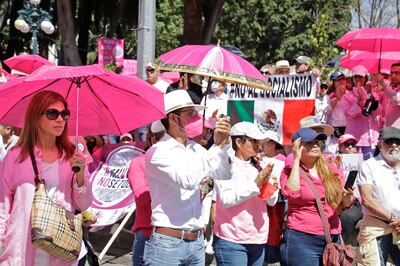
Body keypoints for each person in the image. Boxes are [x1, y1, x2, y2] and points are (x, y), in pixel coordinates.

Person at [0, 90, 92, 266]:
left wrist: (80, 175)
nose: (60, 119)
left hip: (61, 249)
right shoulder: (15, 157)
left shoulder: (72, 157)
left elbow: (83, 204)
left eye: (64, 114)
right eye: (52, 113)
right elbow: (2, 208)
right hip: (21, 251)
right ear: (35, 117)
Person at [144, 89, 231, 266]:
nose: (196, 118)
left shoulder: (195, 148)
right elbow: (188, 180)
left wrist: (224, 145)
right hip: (167, 244)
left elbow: (223, 173)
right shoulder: (157, 152)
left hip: (196, 242)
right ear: (174, 119)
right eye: (190, 114)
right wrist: (216, 147)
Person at [279, 128, 354, 266]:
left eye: (317, 142)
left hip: (332, 236)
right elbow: (291, 193)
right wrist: (296, 159)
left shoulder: (330, 167)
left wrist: (347, 200)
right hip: (301, 239)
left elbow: (341, 202)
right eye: (308, 143)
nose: (315, 145)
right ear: (297, 147)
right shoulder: (291, 168)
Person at [212, 122, 278, 266]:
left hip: (258, 238)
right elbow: (226, 199)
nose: (258, 144)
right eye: (253, 140)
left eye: (259, 141)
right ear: (239, 142)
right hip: (232, 240)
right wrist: (256, 184)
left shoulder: (260, 164)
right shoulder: (225, 164)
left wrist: (271, 186)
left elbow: (271, 202)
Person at [357, 127, 400, 265]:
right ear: (380, 144)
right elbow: (367, 200)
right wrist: (393, 219)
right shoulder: (369, 166)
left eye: (397, 141)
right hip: (376, 228)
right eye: (389, 141)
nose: (394, 145)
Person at [128, 122, 165, 266]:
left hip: (177, 240)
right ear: (151, 139)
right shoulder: (138, 162)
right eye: (159, 137)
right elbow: (142, 198)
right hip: (148, 236)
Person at [342, 65, 382, 159]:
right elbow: (348, 115)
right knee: (353, 169)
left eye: (360, 76)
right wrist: (358, 102)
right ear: (352, 78)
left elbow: (378, 112)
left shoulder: (373, 94)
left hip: (370, 139)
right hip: (353, 139)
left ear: (365, 78)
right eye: (355, 77)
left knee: (369, 169)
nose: (358, 79)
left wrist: (371, 98)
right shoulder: (347, 96)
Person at [326, 71, 347, 139]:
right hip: (334, 128)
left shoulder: (350, 94)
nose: (341, 81)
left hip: (348, 127)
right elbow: (326, 111)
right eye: (338, 80)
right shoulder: (329, 95)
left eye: (343, 79)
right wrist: (337, 98)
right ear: (333, 83)